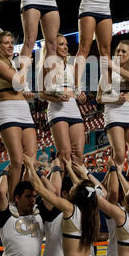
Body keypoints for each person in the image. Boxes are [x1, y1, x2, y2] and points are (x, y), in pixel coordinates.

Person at [24, 154, 101, 256]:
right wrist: (78, 173)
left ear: (76, 193)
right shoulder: (92, 212)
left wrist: (30, 167)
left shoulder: (69, 209)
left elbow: (39, 188)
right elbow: (86, 190)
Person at [0, 28, 37, 209]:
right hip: (8, 111)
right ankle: (14, 203)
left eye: (11, 42)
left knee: (30, 158)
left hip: (23, 110)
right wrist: (25, 66)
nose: (10, 45)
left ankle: (26, 198)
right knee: (16, 160)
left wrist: (26, 93)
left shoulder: (11, 63)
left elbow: (20, 86)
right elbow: (17, 82)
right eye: (6, 43)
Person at [97, 40, 129, 183]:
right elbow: (99, 98)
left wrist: (113, 65)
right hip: (113, 111)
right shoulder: (108, 72)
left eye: (124, 51)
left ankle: (128, 187)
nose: (120, 53)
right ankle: (109, 188)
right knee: (119, 156)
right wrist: (114, 100)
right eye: (118, 51)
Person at [39, 34, 86, 167]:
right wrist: (56, 97)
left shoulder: (72, 68)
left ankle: (76, 187)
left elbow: (77, 91)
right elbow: (42, 93)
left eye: (66, 44)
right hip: (57, 110)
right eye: (61, 44)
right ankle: (57, 186)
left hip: (74, 110)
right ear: (53, 47)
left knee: (78, 155)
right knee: (65, 154)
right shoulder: (46, 66)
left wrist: (81, 97)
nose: (65, 47)